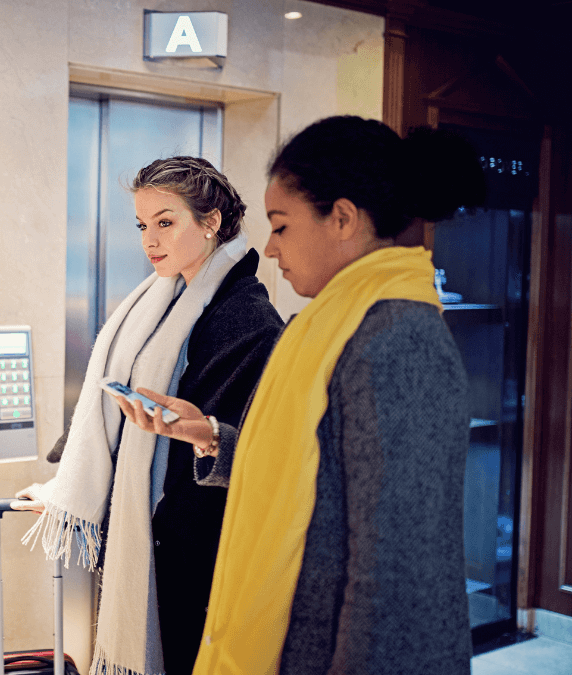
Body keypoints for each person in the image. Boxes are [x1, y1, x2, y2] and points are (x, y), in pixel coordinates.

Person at [119, 116, 486, 675]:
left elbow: (400, 573)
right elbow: (317, 472)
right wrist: (211, 435)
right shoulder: (333, 324)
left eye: (283, 226)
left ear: (341, 218)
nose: (268, 248)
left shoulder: (398, 341)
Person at [13, 157, 283, 675]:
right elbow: (115, 411)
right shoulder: (159, 301)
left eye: (166, 221)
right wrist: (66, 483)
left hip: (199, 546)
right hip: (157, 535)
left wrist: (196, 430)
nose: (149, 240)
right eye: (142, 225)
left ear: (211, 223)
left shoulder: (247, 316)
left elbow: (256, 448)